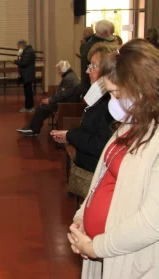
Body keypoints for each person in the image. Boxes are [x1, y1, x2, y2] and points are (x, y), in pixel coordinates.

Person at [68, 39, 159, 279]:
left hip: (138, 264)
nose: (112, 103)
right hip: (111, 251)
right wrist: (82, 217)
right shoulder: (131, 124)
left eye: (116, 95)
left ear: (141, 88)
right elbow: (103, 178)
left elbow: (151, 222)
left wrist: (96, 246)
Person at [50, 43, 116, 173]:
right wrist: (69, 134)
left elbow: (100, 145)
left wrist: (71, 135)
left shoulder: (111, 103)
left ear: (108, 68)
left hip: (97, 170)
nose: (87, 71)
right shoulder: (99, 95)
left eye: (93, 65)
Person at [16, 60, 81, 137]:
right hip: (65, 102)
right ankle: (31, 127)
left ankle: (33, 129)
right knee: (43, 105)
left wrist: (50, 100)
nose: (58, 72)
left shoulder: (69, 78)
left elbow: (62, 95)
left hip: (66, 105)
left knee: (42, 106)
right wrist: (50, 99)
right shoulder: (70, 75)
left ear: (64, 69)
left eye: (59, 70)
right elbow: (62, 94)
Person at [81, 20, 115, 95]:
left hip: (90, 88)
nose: (113, 36)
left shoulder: (88, 43)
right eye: (112, 33)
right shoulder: (102, 49)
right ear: (107, 33)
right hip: (98, 89)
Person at [14, 39, 36, 113]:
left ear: (21, 45)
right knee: (27, 91)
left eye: (18, 46)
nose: (18, 47)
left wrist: (15, 61)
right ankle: (29, 107)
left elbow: (24, 63)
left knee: (28, 92)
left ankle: (29, 107)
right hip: (26, 74)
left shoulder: (28, 51)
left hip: (28, 74)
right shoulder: (27, 51)